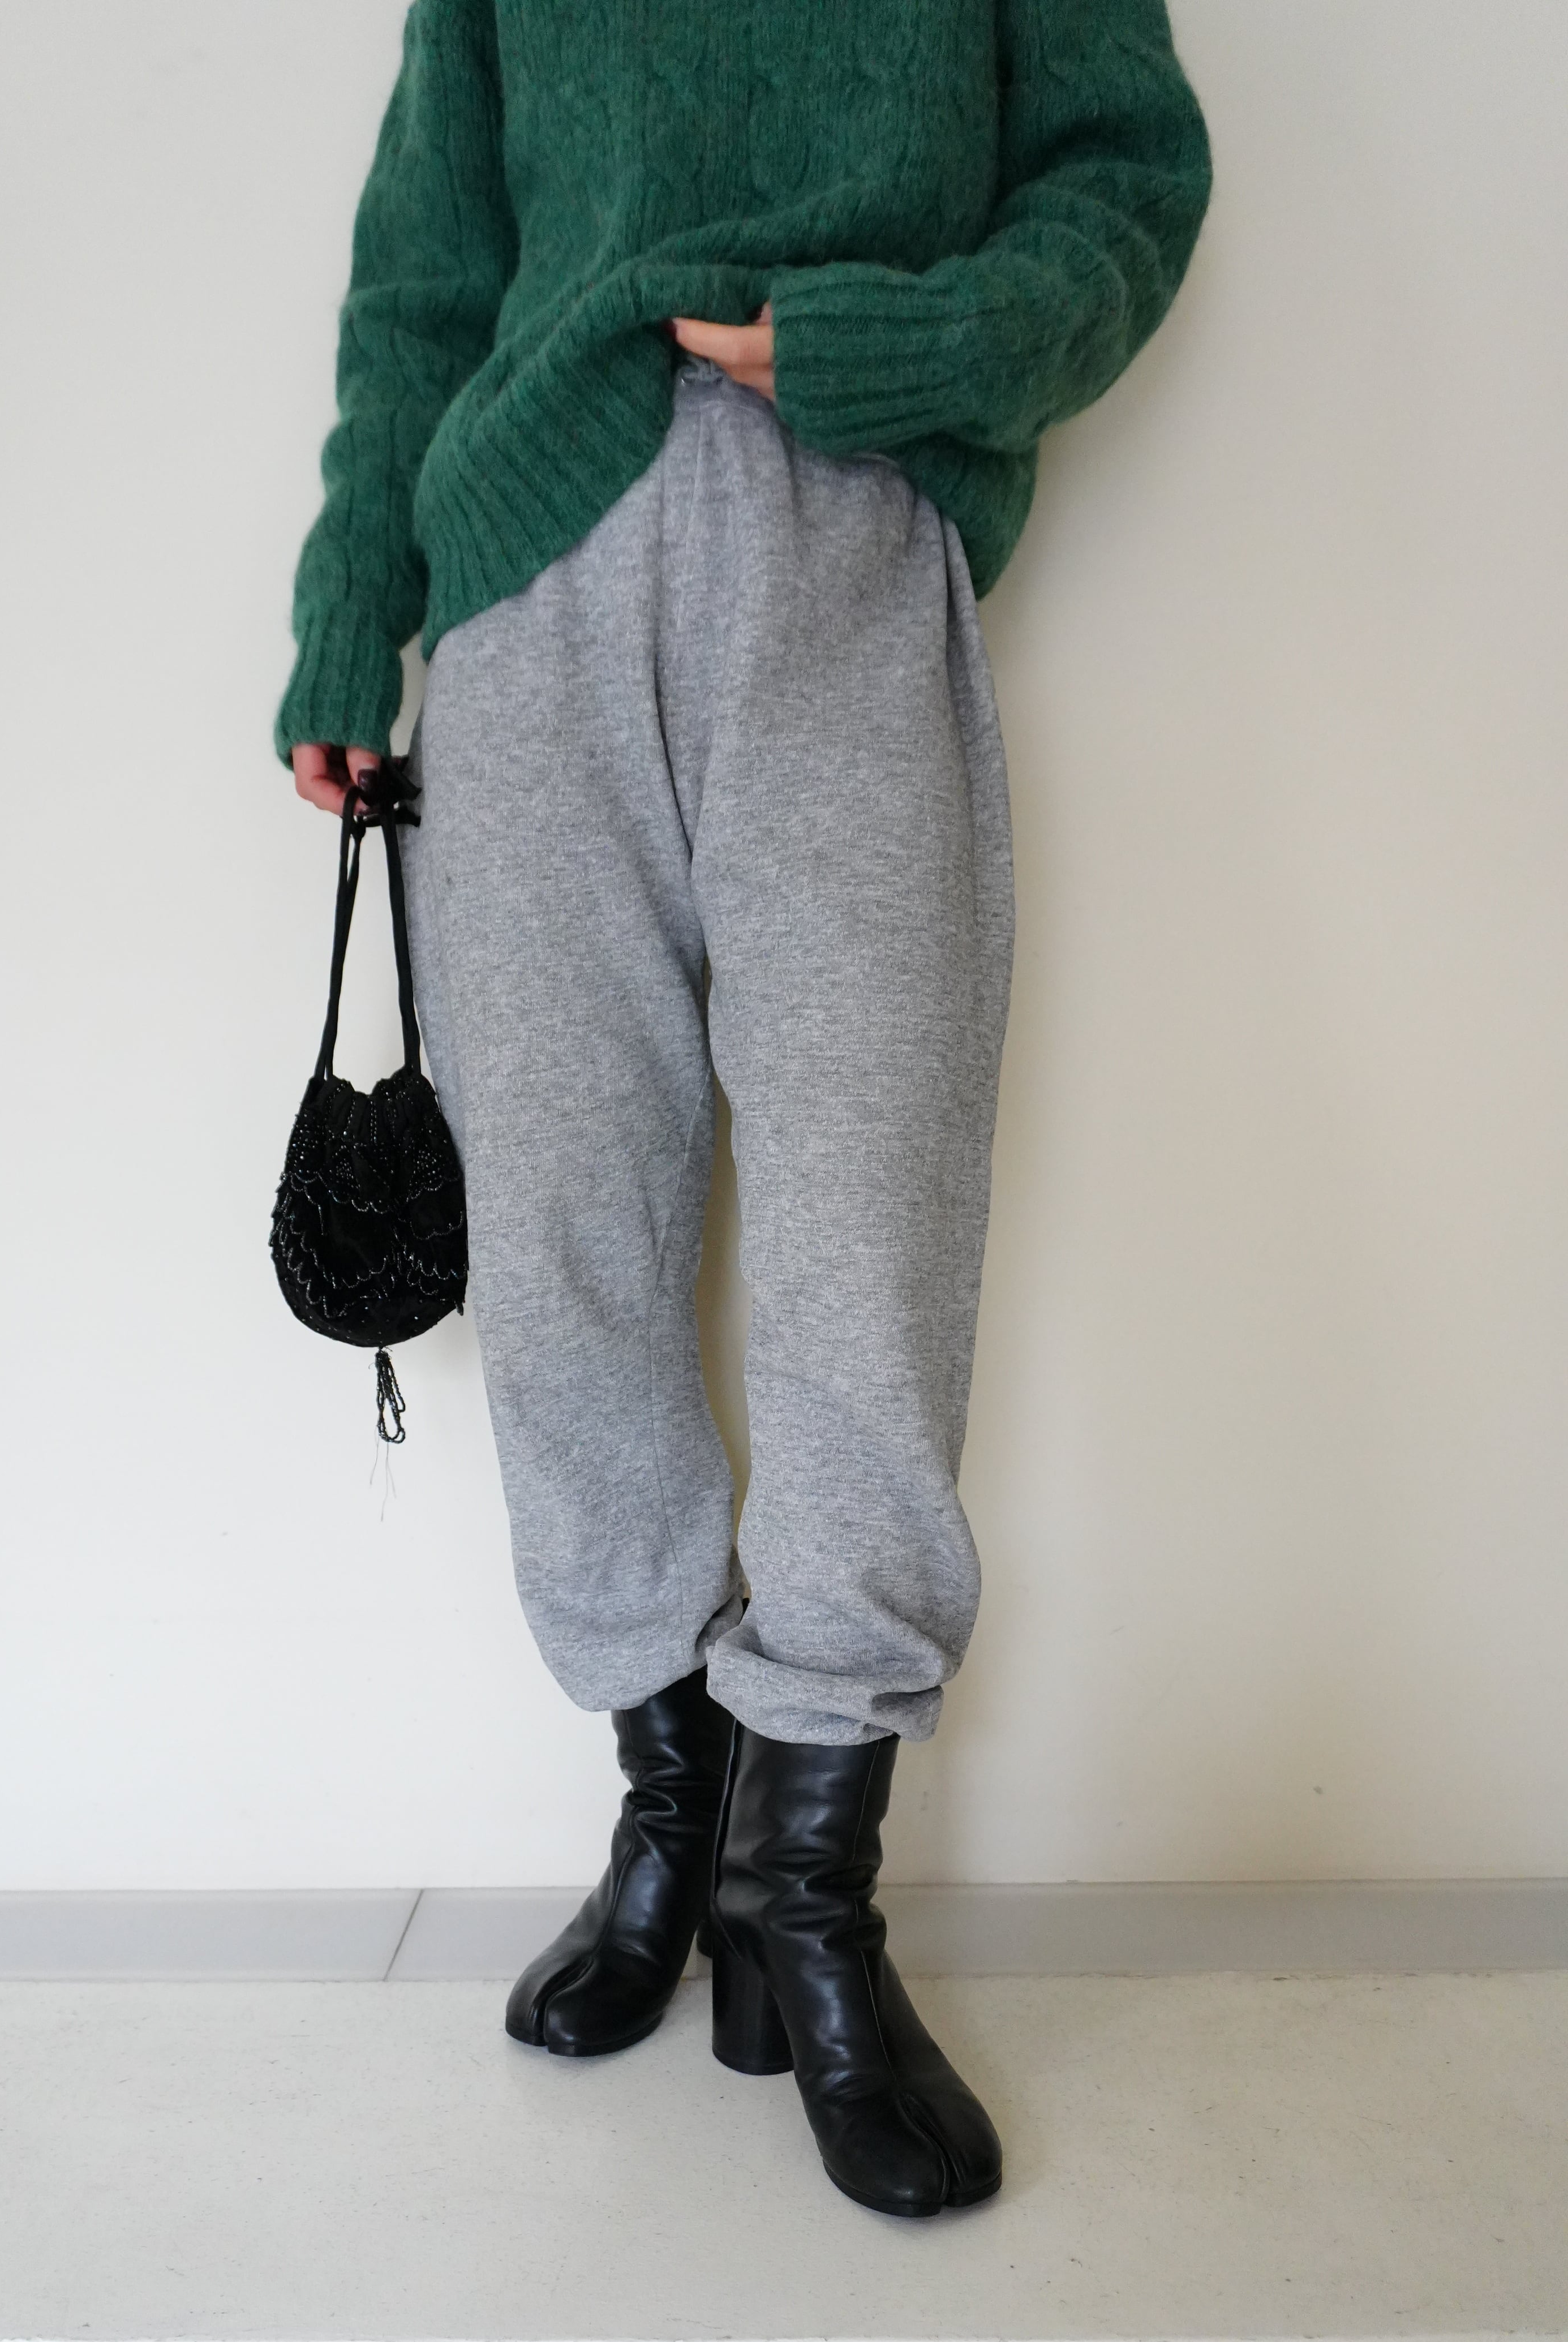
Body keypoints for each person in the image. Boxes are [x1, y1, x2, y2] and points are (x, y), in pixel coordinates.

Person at [277, 0, 1212, 2220]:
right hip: (527, 589)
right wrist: (352, 608)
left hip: (851, 545)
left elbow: (1126, 178)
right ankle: (670, 1812)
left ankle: (811, 1894)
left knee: (866, 1236)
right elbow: (426, 273)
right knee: (567, 1249)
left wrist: (916, 346)